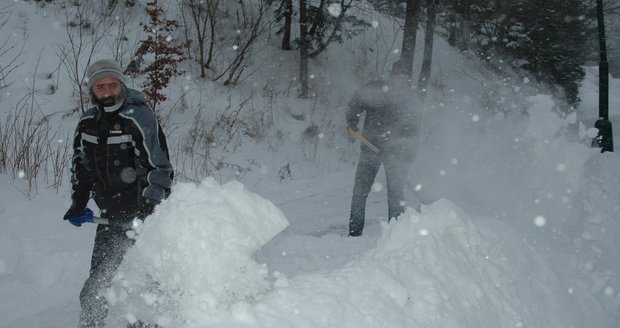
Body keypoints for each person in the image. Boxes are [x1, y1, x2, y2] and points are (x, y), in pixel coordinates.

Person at [62, 59, 173, 327]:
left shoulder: (139, 116)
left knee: (142, 287)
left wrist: (147, 209)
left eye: (113, 84)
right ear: (92, 89)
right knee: (97, 285)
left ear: (122, 85)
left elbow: (157, 167)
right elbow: (82, 166)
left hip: (144, 216)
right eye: (100, 86)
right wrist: (78, 202)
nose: (107, 91)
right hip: (110, 215)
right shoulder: (88, 122)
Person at [346, 60, 419, 237]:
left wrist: (407, 152)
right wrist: (352, 123)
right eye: (400, 77)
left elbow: (413, 129)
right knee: (360, 193)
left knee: (395, 194)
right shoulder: (376, 89)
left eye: (406, 78)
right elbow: (356, 102)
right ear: (392, 75)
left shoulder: (409, 99)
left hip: (395, 154)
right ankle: (354, 234)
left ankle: (395, 235)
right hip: (371, 149)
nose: (403, 81)